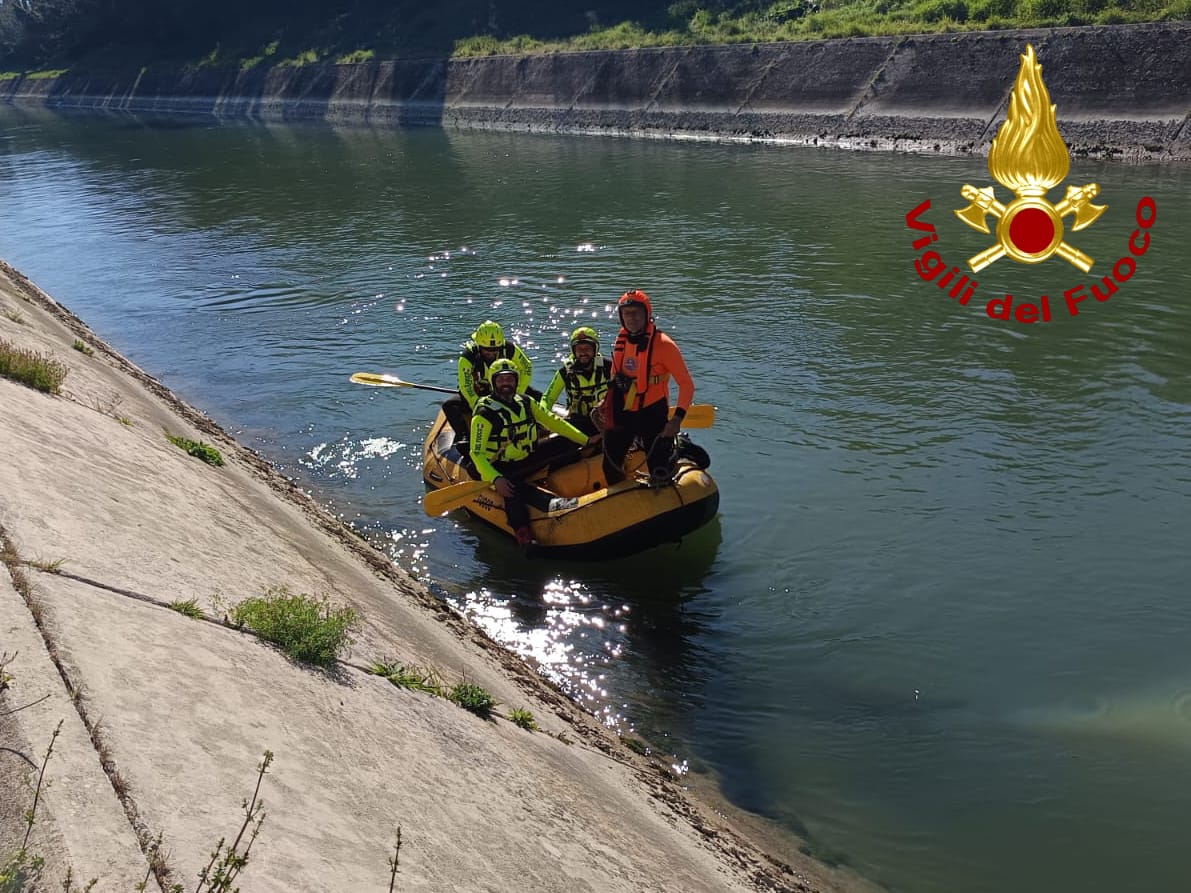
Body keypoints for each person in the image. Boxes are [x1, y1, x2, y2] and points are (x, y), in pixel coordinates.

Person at [469, 358, 599, 546]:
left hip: (526, 457)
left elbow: (554, 422)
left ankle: (561, 475)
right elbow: (476, 454)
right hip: (501, 467)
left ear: (516, 381)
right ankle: (522, 532)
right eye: (501, 379)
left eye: (510, 379)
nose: (506, 383)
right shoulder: (484, 413)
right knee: (513, 492)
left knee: (565, 443)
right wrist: (495, 479)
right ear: (493, 382)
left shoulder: (526, 402)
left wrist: (585, 440)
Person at [601, 289, 694, 486]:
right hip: (623, 410)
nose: (631, 318)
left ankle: (677, 452)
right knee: (610, 464)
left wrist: (677, 419)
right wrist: (605, 402)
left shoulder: (664, 345)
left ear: (647, 314)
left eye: (636, 313)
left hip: (652, 411)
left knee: (659, 469)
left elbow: (687, 385)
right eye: (627, 313)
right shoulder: (622, 340)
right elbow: (615, 376)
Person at [441, 320, 538, 451]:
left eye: (494, 350)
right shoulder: (468, 357)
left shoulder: (509, 349)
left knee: (536, 396)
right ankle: (464, 436)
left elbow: (526, 368)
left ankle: (539, 424)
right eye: (487, 350)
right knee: (450, 405)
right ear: (479, 346)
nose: (491, 354)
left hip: (505, 389)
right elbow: (466, 386)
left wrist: (517, 394)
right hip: (480, 391)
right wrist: (478, 406)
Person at [539, 326, 613, 436]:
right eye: (579, 349)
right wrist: (542, 420)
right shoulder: (565, 372)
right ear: (573, 351)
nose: (583, 353)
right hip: (577, 422)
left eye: (587, 348)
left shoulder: (608, 367)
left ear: (595, 349)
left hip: (604, 420)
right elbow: (548, 398)